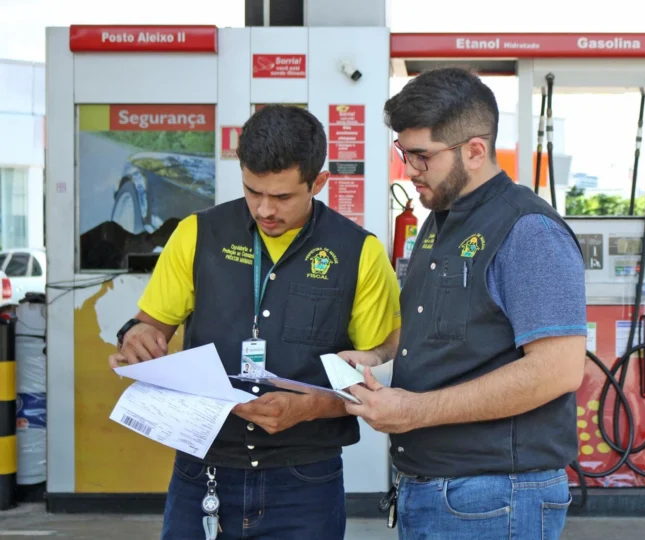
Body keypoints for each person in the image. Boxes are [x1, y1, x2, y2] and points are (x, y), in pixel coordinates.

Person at [107, 105, 401, 539]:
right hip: (202, 474)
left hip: (305, 482)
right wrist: (138, 335)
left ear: (318, 182)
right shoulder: (197, 233)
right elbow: (150, 325)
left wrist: (311, 407)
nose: (264, 209)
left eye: (282, 197)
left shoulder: (359, 252)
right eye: (252, 190)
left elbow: (381, 362)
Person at [338, 67, 587, 539]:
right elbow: (440, 324)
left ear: (474, 150)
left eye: (422, 156)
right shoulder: (439, 222)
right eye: (403, 153)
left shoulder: (528, 230)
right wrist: (377, 356)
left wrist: (415, 411)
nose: (409, 170)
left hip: (496, 497)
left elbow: (558, 370)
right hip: (433, 487)